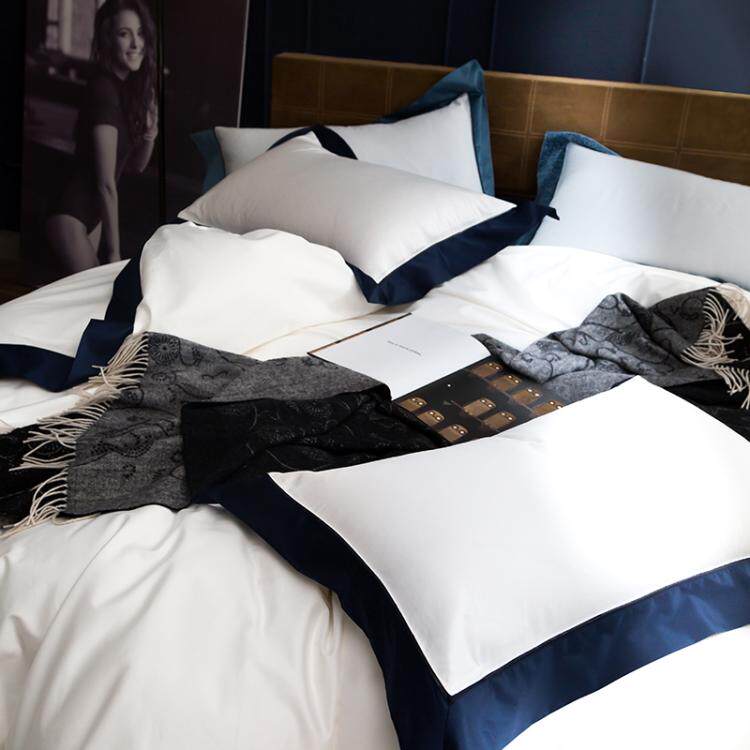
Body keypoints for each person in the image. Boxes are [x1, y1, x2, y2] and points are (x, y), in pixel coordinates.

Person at [46, 0, 157, 274]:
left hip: (90, 218)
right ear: (108, 40)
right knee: (95, 292)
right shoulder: (103, 90)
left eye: (140, 33)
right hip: (70, 215)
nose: (136, 43)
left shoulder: (124, 90)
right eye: (124, 34)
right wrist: (114, 252)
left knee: (85, 296)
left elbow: (134, 167)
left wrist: (150, 134)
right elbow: (106, 183)